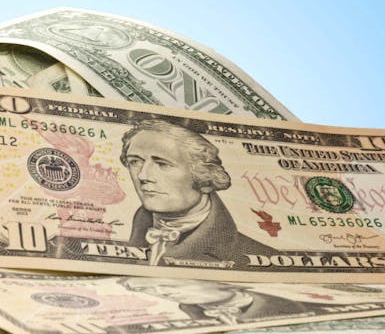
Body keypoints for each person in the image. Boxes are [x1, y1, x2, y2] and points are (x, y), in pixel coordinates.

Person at [119, 119, 275, 265]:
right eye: (135, 162)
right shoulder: (123, 237)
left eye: (162, 164)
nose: (143, 176)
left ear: (203, 176)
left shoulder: (257, 256)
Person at [119, 277, 314, 325]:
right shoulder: (185, 311)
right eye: (146, 290)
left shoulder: (289, 306)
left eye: (171, 286)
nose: (161, 293)